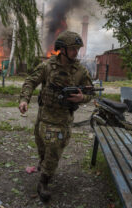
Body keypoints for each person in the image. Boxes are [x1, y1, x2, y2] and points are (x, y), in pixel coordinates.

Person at [19, 31, 94, 202]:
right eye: (73, 48)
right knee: (42, 147)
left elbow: (91, 92)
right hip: (44, 116)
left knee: (53, 150)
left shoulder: (80, 71)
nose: (76, 52)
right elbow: (30, 81)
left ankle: (43, 182)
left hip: (62, 120)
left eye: (78, 49)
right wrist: (24, 100)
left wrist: (82, 97)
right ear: (62, 49)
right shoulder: (47, 66)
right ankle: (44, 165)